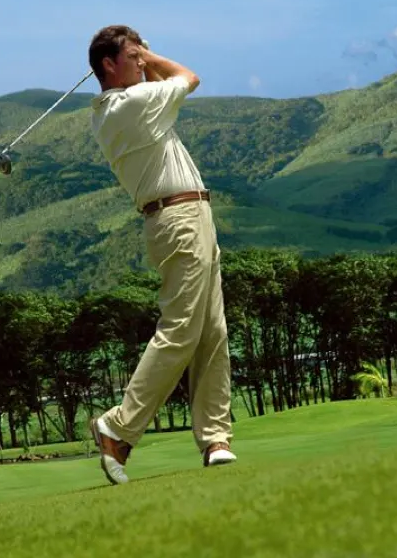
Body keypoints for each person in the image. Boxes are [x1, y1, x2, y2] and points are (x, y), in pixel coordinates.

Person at [88, 24, 236, 485]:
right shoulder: (127, 106)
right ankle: (118, 426)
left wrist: (140, 57)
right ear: (109, 65)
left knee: (212, 330)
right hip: (177, 219)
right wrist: (152, 56)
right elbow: (189, 77)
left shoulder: (132, 106)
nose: (140, 61)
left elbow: (160, 87)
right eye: (131, 56)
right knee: (180, 330)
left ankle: (215, 439)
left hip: (190, 215)